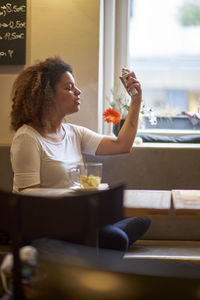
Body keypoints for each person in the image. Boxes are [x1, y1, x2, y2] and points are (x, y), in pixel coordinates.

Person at [10, 57, 151, 253]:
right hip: (45, 227)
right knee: (116, 239)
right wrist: (78, 200)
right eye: (68, 87)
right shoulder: (27, 138)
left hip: (78, 217)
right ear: (46, 95)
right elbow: (29, 198)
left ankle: (94, 240)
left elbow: (123, 145)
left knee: (143, 217)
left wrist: (136, 101)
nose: (78, 92)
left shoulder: (74, 133)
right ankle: (100, 242)